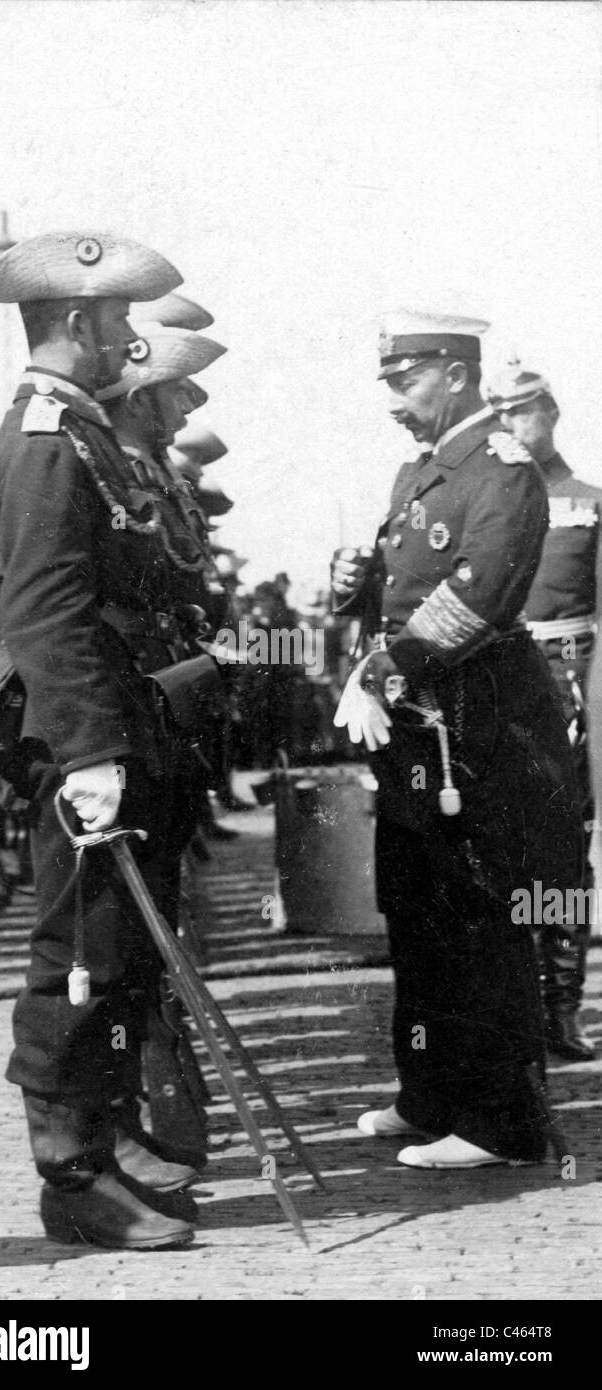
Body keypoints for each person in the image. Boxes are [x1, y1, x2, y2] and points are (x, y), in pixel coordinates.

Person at [0, 229, 218, 1250]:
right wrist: (88, 755)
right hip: (86, 739)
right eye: (117, 318)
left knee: (108, 949)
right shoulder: (42, 440)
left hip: (115, 724)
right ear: (76, 321)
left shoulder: (79, 432)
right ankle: (70, 1176)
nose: (129, 337)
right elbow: (46, 614)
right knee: (73, 956)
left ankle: (102, 1153)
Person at [332, 310, 582, 1169]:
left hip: (476, 721)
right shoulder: (426, 472)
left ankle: (500, 1120)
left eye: (407, 382)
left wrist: (385, 666)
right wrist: (357, 606)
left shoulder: (502, 470)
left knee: (479, 913)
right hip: (418, 725)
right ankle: (431, 1093)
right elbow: (401, 587)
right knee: (417, 908)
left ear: (457, 374)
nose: (396, 402)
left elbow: (478, 595)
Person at [487, 361, 600, 1060]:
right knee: (493, 848)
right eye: (498, 412)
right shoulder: (483, 500)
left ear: (551, 413)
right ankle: (511, 1007)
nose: (510, 425)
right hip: (494, 686)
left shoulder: (588, 502)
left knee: (562, 854)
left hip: (566, 688)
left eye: (522, 411)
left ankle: (560, 1008)